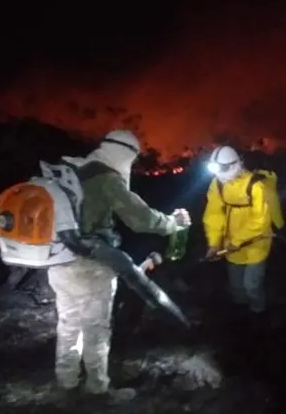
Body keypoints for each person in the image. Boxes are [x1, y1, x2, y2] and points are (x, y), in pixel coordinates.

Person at [47, 129, 191, 403]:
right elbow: (140, 218)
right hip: (91, 264)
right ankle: (97, 389)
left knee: (68, 324)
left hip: (58, 261)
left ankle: (66, 382)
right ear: (125, 153)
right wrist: (172, 224)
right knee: (96, 329)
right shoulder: (105, 177)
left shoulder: (74, 170)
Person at [203, 145, 278, 328]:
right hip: (231, 244)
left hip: (256, 242)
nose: (220, 173)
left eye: (223, 168)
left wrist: (237, 241)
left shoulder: (255, 185)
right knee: (237, 286)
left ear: (235, 164)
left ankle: (259, 316)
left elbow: (260, 220)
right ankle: (243, 319)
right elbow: (214, 214)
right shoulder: (218, 184)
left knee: (251, 285)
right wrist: (214, 244)